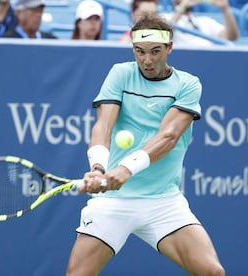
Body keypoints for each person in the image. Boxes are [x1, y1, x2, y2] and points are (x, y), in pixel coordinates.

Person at [66, 13, 225, 276]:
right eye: (140, 51)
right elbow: (103, 125)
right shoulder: (120, 73)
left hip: (163, 201)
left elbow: (168, 138)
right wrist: (98, 167)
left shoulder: (187, 84)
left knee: (212, 272)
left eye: (155, 51)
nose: (147, 60)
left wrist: (126, 169)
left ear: (169, 48)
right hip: (113, 202)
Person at [163, 0, 239, 46]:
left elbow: (231, 37)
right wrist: (182, 7)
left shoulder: (205, 21)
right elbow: (163, 35)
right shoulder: (165, 18)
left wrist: (225, 8)